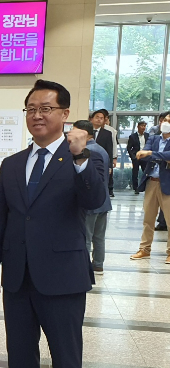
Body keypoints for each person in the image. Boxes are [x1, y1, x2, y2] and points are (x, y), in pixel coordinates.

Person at [0, 80, 106, 368]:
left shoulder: (85, 157)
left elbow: (95, 200)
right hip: (18, 275)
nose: (37, 115)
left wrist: (81, 158)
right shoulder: (13, 163)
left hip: (63, 276)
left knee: (65, 357)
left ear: (64, 114)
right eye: (31, 108)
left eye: (46, 108)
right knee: (20, 352)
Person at [73, 120, 112, 275]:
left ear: (84, 133)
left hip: (92, 203)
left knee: (86, 236)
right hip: (104, 202)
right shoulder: (101, 149)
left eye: (74, 131)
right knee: (99, 236)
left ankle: (83, 266)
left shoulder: (86, 151)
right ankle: (98, 264)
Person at [131, 112, 170, 263]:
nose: (165, 123)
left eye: (168, 121)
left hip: (167, 184)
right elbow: (142, 155)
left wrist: (153, 154)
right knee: (148, 218)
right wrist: (160, 156)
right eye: (164, 120)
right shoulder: (153, 138)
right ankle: (144, 249)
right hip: (151, 182)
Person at [90, 110, 114, 196]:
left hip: (101, 162)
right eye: (97, 117)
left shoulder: (107, 133)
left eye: (101, 118)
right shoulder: (86, 131)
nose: (99, 120)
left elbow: (109, 150)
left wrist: (110, 166)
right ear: (91, 119)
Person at [127, 121, 147, 194]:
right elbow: (129, 147)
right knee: (135, 172)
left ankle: (145, 187)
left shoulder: (147, 136)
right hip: (136, 157)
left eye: (144, 126)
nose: (143, 127)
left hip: (145, 157)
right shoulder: (132, 136)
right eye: (142, 126)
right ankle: (136, 188)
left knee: (146, 172)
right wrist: (133, 157)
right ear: (138, 127)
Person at [104, 114, 118, 197]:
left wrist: (114, 157)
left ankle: (110, 189)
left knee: (109, 173)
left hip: (108, 155)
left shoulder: (111, 130)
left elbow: (114, 144)